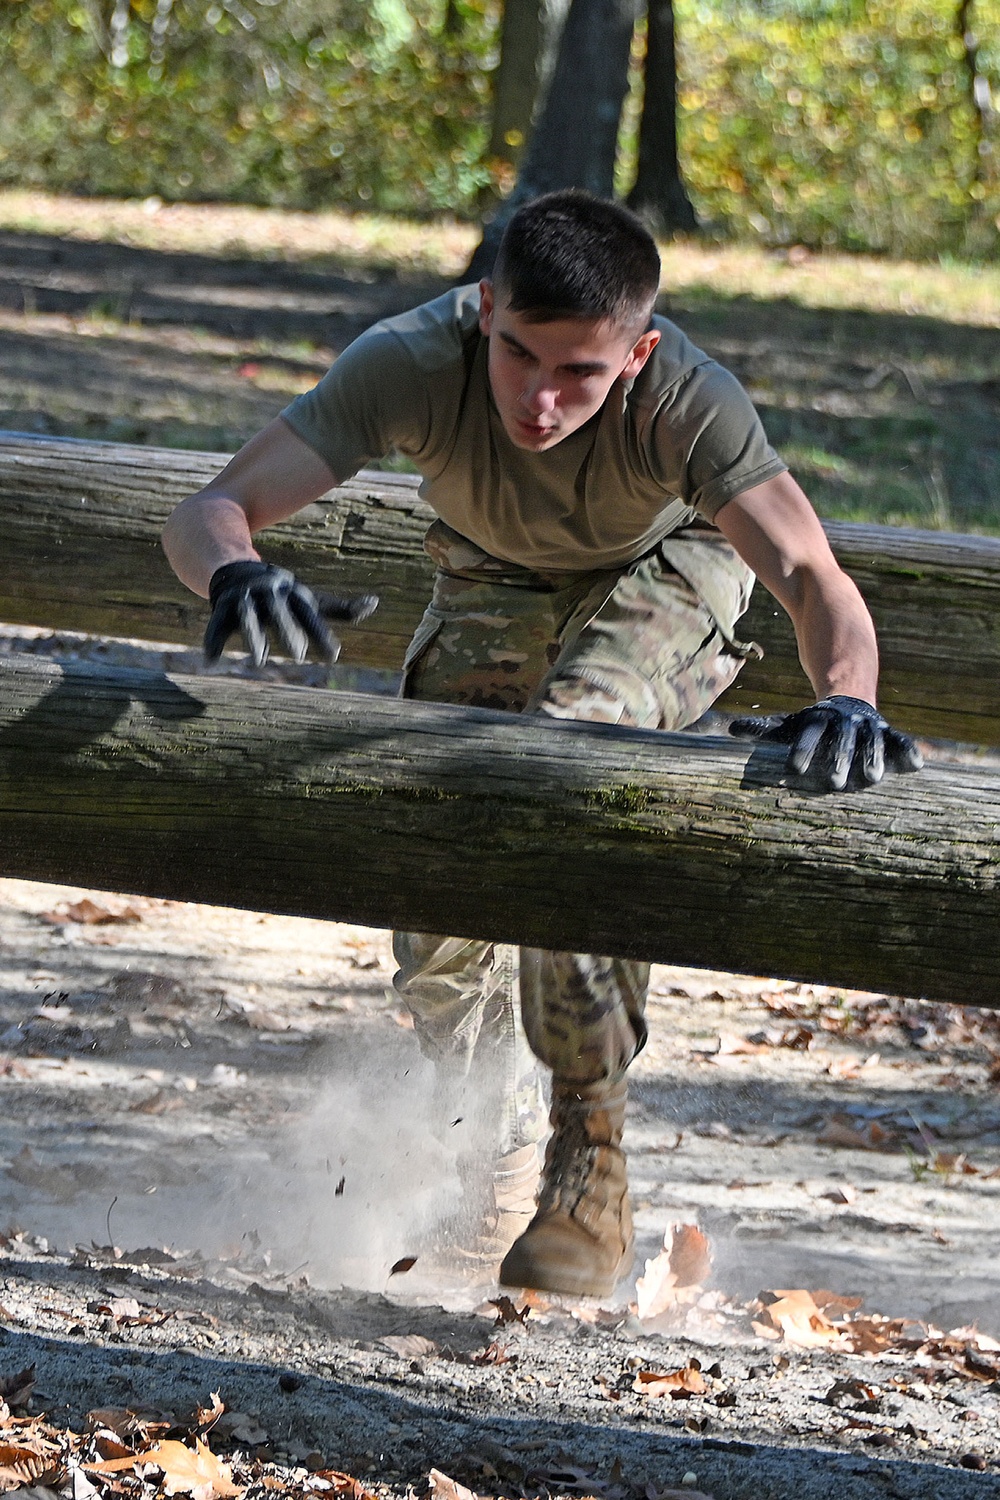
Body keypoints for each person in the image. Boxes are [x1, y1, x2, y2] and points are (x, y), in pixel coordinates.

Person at [161, 190, 921, 1301]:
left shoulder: (683, 396)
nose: (542, 397)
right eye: (520, 355)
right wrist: (234, 573)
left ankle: (589, 1156)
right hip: (490, 580)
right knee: (444, 888)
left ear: (640, 351)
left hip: (663, 576)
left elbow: (809, 574)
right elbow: (213, 507)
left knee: (574, 754)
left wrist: (848, 699)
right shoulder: (410, 360)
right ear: (483, 310)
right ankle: (492, 1157)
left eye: (582, 373)